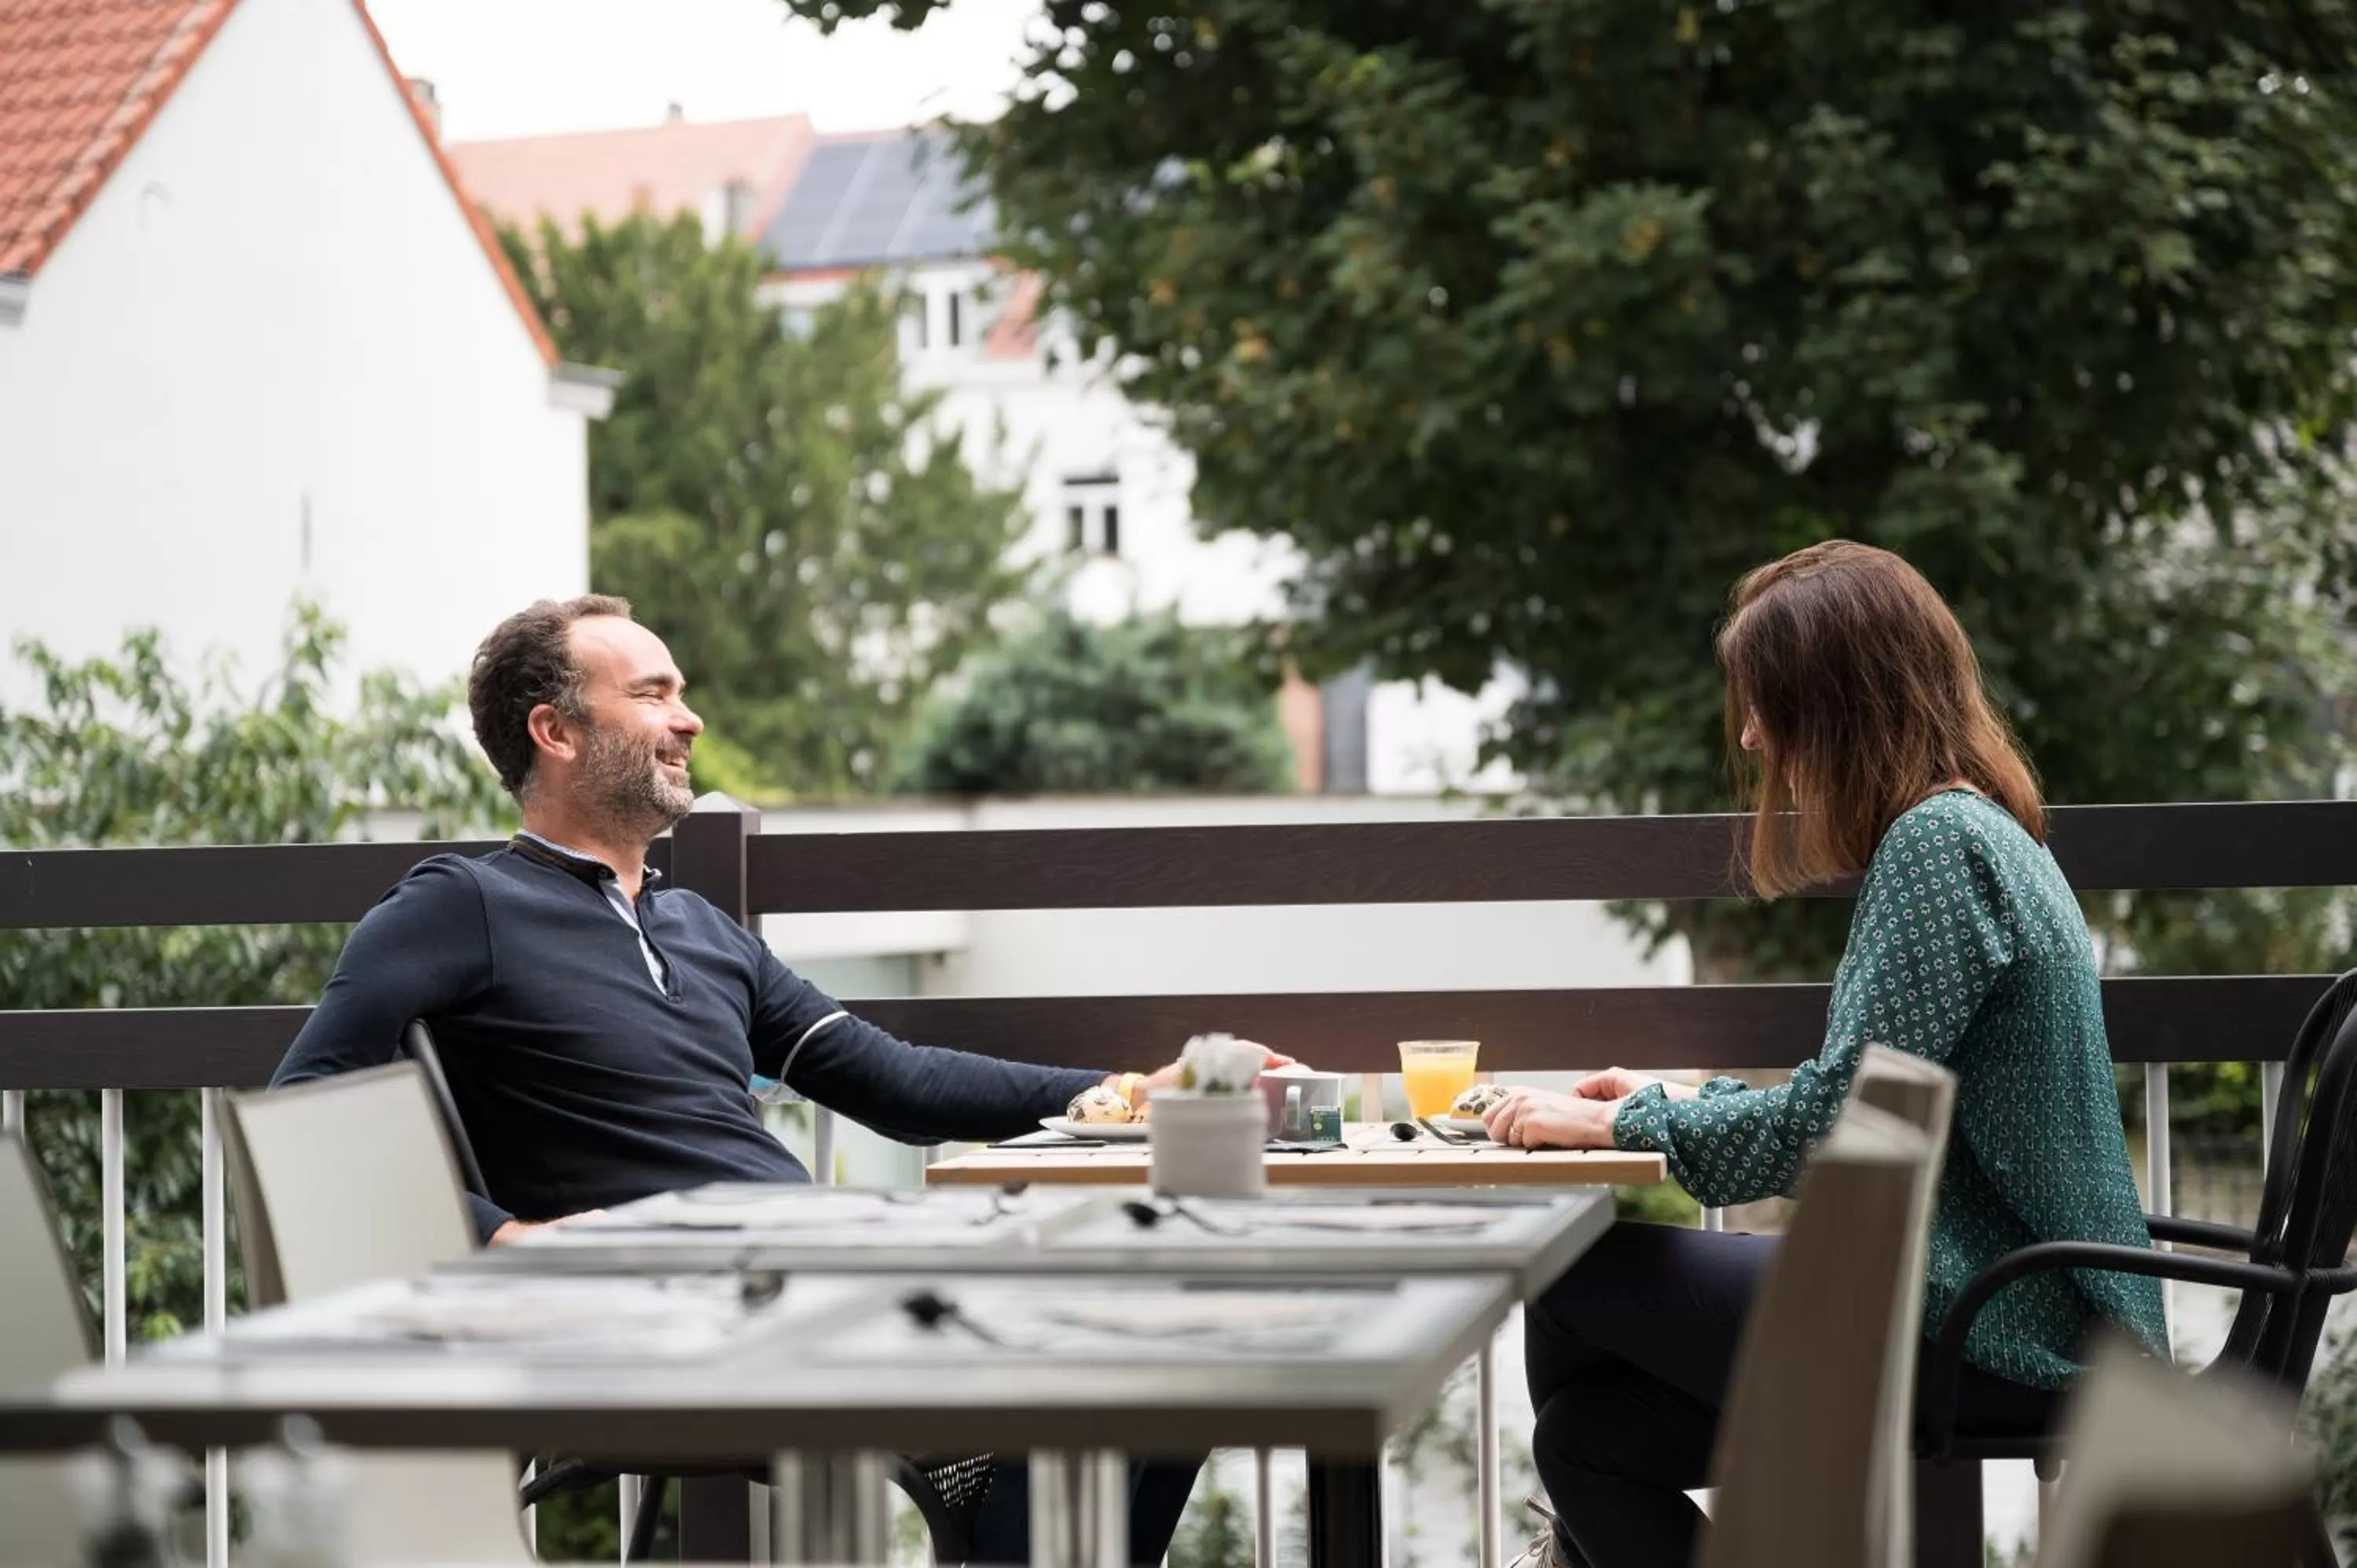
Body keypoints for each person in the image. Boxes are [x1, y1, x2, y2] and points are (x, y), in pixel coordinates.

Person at [272, 593, 1222, 1564]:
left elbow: (895, 1082)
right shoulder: (462, 903)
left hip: (810, 1282)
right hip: (670, 1319)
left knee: (1167, 1344)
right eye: (652, 694)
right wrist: (505, 1236)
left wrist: (1130, 1092)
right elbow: (306, 1107)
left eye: (682, 693)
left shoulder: (701, 929)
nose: (689, 718)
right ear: (554, 731)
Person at [1483, 542, 2168, 1568]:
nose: (1753, 736)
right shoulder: (1973, 831)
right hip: (2011, 1298)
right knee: (1589, 1441)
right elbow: (1854, 1098)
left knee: (1568, 1268)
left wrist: (1623, 1123)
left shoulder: (1939, 850)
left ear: (1839, 704)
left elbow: (1830, 1132)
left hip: (2007, 1324)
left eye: (1768, 704)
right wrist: (1678, 1096)